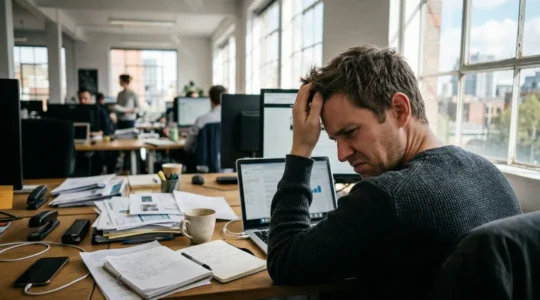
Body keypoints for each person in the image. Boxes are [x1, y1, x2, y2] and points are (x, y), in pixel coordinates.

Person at [267, 45, 522, 299]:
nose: (342, 154)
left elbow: (284, 261)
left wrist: (301, 148)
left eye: (350, 132)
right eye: (335, 139)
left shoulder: (387, 197)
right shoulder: (490, 172)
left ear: (399, 110)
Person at [184, 85, 226, 153]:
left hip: (203, 162)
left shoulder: (201, 120)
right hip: (228, 162)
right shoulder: (231, 120)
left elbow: (188, 146)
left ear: (210, 99)